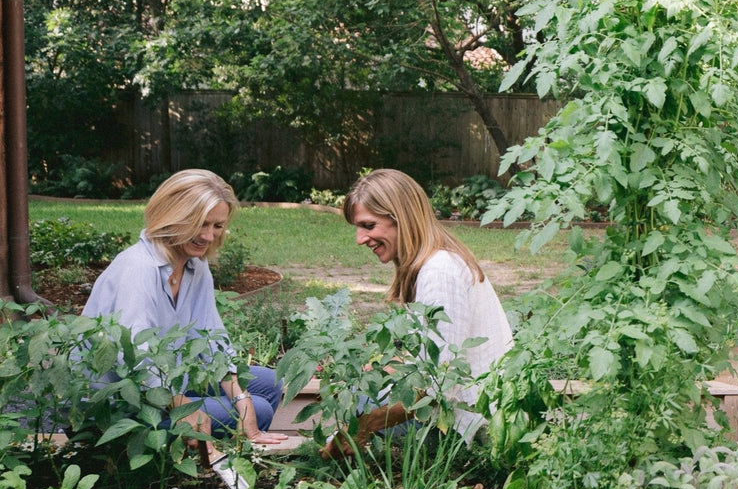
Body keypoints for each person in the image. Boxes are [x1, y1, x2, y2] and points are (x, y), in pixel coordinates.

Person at [83, 169, 287, 448]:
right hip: (121, 401)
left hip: (168, 376)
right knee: (260, 409)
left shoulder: (196, 266)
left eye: (217, 226)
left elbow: (210, 340)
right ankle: (132, 456)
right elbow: (134, 363)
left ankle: (227, 455)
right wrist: (182, 407)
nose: (208, 236)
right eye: (200, 224)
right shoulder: (138, 269)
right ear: (172, 216)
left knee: (267, 386)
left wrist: (243, 401)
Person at [321, 168, 513, 458]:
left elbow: (438, 387)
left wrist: (366, 424)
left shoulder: (440, 272)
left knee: (360, 404)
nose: (361, 239)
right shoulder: (434, 263)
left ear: (400, 218)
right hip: (461, 412)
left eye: (369, 225)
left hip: (468, 426)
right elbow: (431, 357)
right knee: (361, 386)